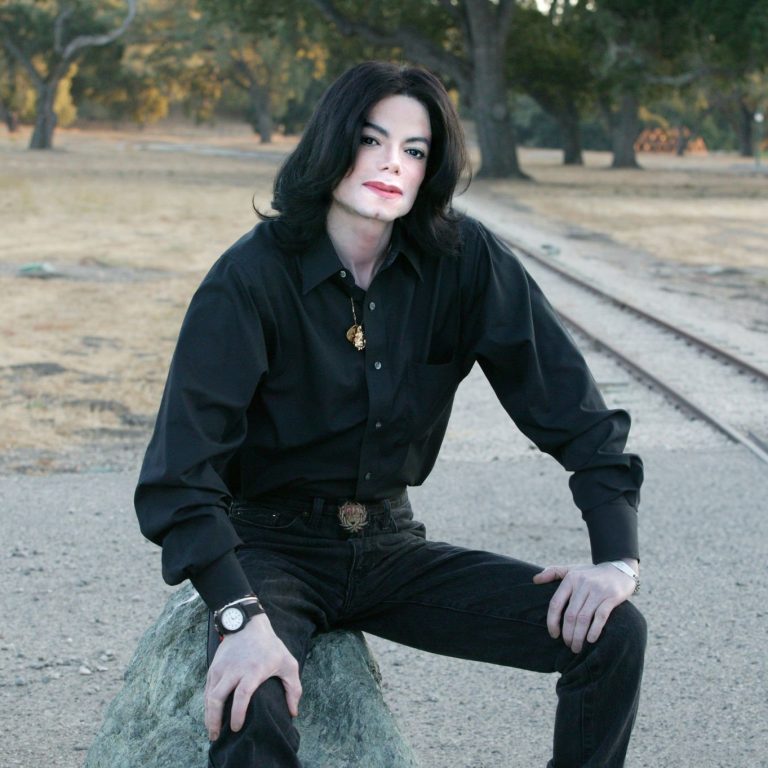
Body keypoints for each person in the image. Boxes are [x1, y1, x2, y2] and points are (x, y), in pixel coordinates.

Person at [135, 61, 646, 767]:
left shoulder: (465, 262)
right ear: (332, 143)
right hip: (270, 549)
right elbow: (177, 478)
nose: (391, 164)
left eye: (414, 149)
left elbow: (576, 412)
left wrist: (616, 559)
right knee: (253, 695)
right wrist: (237, 613)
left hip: (391, 547)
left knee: (613, 633)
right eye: (371, 140)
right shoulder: (250, 277)